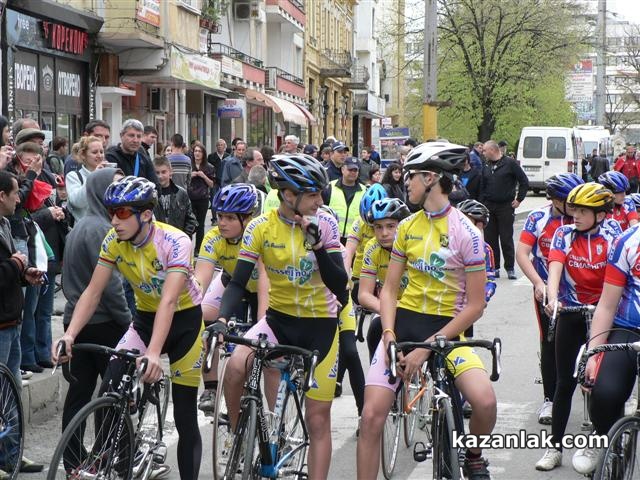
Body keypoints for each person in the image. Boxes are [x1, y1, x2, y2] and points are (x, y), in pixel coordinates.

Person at [357, 142, 496, 480]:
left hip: (448, 331)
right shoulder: (407, 227)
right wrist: (388, 334)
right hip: (405, 324)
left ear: (431, 178)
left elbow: (476, 305)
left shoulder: (467, 233)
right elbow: (390, 290)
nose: (406, 182)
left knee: (485, 402)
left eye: (412, 176)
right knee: (371, 417)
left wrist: (427, 348)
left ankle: (473, 456)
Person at [52, 176, 204, 480]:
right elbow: (93, 292)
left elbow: (169, 301)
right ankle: (120, 467)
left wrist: (154, 353)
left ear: (145, 214)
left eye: (122, 213)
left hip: (184, 323)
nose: (114, 221)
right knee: (110, 387)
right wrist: (69, 334)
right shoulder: (114, 241)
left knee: (184, 415)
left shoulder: (176, 241)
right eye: (111, 212)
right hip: (145, 320)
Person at [218, 154, 348, 479]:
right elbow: (237, 282)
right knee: (235, 366)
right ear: (289, 195)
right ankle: (238, 435)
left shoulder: (326, 224)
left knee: (317, 420)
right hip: (278, 321)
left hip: (320, 327)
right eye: (313, 194)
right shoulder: (260, 227)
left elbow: (340, 287)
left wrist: (318, 245)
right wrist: (220, 320)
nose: (320, 201)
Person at [535, 183, 621, 472]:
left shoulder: (613, 235)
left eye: (583, 211)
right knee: (564, 383)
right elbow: (554, 269)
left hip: (603, 314)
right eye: (574, 210)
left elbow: (616, 278)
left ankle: (604, 442)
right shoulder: (564, 234)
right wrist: (553, 298)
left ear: (601, 214)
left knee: (603, 384)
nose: (576, 216)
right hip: (571, 312)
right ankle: (555, 447)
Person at [59, 167, 132, 456]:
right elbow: (111, 287)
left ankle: (73, 459)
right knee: (112, 394)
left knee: (79, 395)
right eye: (114, 187)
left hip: (77, 319)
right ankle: (113, 456)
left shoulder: (82, 225)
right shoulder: (103, 229)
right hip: (103, 321)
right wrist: (128, 322)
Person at [516, 172, 583, 426]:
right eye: (569, 202)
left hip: (579, 290)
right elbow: (523, 253)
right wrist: (537, 282)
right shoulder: (538, 217)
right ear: (555, 200)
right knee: (550, 341)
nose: (575, 207)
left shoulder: (582, 218)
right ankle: (549, 398)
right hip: (547, 289)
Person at [194, 184, 260, 414]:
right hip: (231, 282)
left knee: (263, 335)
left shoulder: (258, 234)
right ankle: (211, 388)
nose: (222, 222)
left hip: (262, 288)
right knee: (202, 315)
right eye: (220, 216)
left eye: (230, 218)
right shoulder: (213, 237)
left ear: (247, 217)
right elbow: (201, 281)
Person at [0, 170, 45, 476]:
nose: (19, 199)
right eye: (15, 193)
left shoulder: (5, 223)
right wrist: (14, 264)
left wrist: (23, 274)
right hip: (1, 325)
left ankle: (11, 454)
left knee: (11, 393)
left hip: (12, 321)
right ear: (1, 195)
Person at [358, 198, 411, 359]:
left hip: (416, 307)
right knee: (374, 331)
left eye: (390, 226)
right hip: (388, 305)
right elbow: (364, 295)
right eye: (378, 227)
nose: (384, 233)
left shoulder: (413, 245)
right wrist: (391, 309)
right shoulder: (372, 247)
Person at [479, 140, 529, 279]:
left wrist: (519, 199)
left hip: (505, 206)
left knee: (506, 238)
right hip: (489, 206)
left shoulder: (510, 163)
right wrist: (481, 203)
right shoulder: (486, 165)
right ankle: (494, 267)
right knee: (490, 238)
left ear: (493, 150)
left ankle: (510, 267)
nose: (483, 153)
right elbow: (482, 185)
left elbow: (524, 181)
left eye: (485, 150)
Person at [324, 157, 366, 244]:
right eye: (350, 170)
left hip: (354, 240)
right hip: (331, 238)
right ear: (342, 169)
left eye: (355, 170)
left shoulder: (365, 191)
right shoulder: (330, 187)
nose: (353, 173)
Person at [153, 156, 197, 237]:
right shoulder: (151, 195)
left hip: (177, 239)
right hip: (157, 240)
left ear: (170, 172)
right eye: (157, 173)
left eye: (163, 172)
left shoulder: (181, 193)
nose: (160, 176)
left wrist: (184, 236)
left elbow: (190, 219)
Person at [66, 136, 106, 223]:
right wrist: (94, 176)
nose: (99, 155)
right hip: (85, 228)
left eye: (101, 152)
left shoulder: (106, 175)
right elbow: (78, 202)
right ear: (83, 155)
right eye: (95, 152)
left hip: (106, 227)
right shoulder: (73, 176)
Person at [105, 119, 158, 183]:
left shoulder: (144, 159)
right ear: (121, 135)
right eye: (131, 135)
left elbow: (155, 185)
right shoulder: (111, 157)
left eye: (139, 136)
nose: (135, 140)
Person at [188, 141, 215, 253]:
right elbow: (184, 181)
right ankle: (187, 248)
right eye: (195, 151)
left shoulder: (209, 167)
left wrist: (204, 176)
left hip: (203, 198)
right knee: (190, 224)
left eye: (199, 151)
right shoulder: (189, 165)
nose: (197, 153)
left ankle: (198, 249)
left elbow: (212, 184)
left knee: (200, 224)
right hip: (190, 198)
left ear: (203, 154)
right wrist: (190, 175)